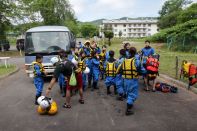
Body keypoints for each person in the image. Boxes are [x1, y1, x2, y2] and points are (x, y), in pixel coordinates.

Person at [116, 47, 141, 115]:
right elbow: (141, 70)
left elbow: (119, 71)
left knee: (128, 92)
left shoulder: (123, 61)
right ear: (135, 53)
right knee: (132, 94)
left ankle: (130, 104)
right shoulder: (136, 61)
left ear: (129, 52)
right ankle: (128, 110)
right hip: (133, 80)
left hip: (125, 80)